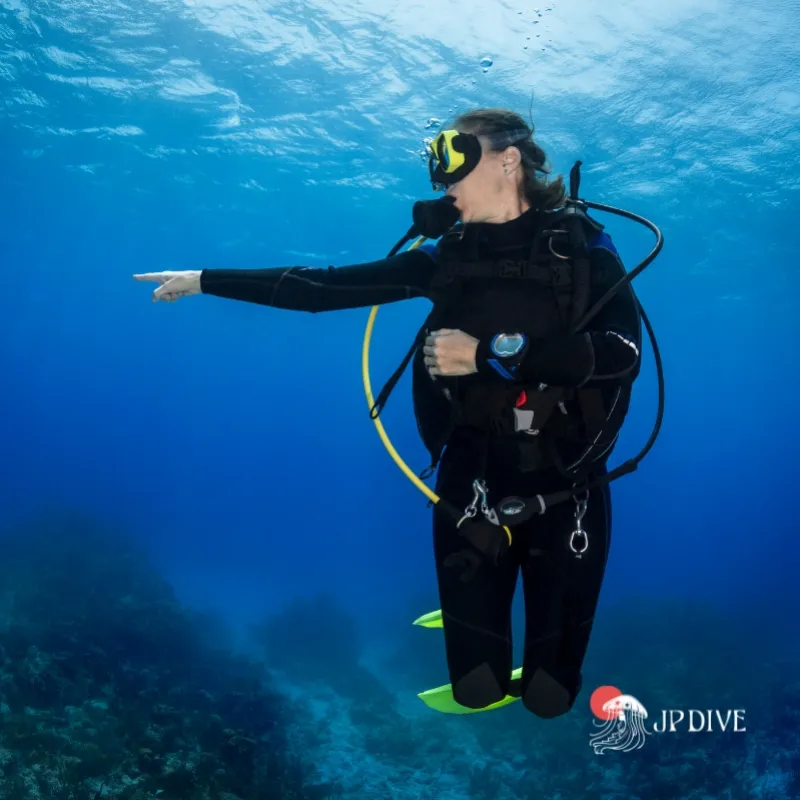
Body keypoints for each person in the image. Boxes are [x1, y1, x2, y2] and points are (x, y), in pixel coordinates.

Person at [135, 107, 649, 719]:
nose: (443, 180)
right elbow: (320, 289)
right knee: (476, 690)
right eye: (436, 163)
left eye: (456, 158)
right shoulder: (446, 259)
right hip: (471, 485)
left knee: (550, 699)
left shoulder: (582, 251)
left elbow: (621, 355)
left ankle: (536, 642)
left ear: (509, 160)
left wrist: (489, 354)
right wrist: (203, 279)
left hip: (570, 487)